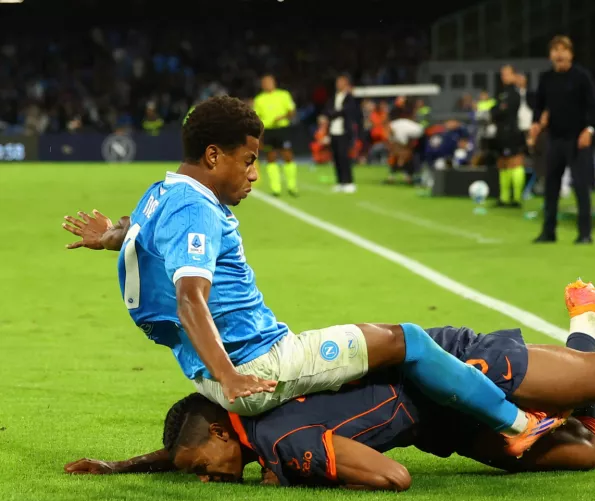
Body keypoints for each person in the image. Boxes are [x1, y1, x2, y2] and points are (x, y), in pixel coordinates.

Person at [58, 96, 565, 457]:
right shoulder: (197, 210)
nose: (254, 174)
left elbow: (141, 236)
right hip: (257, 364)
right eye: (248, 161)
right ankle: (519, 424)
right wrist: (231, 374)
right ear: (213, 155)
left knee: (372, 357)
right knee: (407, 339)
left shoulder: (161, 193)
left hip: (203, 372)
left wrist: (111, 236)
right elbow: (191, 298)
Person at [65, 258, 595, 488]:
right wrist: (122, 466)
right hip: (435, 420)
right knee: (581, 451)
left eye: (202, 468)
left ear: (224, 433)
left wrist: (304, 475)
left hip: (449, 369)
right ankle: (588, 314)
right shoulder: (241, 418)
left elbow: (391, 477)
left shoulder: (279, 440)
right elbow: (191, 441)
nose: (206, 478)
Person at [529, 35, 595, 245]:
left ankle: (584, 233)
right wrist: (535, 123)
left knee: (580, 186)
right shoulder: (546, 78)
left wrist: (589, 130)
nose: (559, 54)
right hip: (555, 138)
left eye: (563, 50)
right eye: (555, 50)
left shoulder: (582, 77)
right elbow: (539, 105)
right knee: (551, 186)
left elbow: (592, 106)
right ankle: (548, 231)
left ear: (571, 54)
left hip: (577, 139)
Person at [252, 75, 298, 197]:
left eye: (270, 82)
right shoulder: (259, 99)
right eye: (265, 82)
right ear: (262, 85)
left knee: (287, 156)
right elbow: (257, 117)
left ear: (274, 83)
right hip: (268, 130)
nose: (268, 84)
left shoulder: (284, 95)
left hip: (282, 129)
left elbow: (292, 111)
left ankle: (292, 186)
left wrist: (282, 117)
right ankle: (275, 188)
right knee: (271, 157)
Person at [492, 65, 527, 208]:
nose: (504, 77)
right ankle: (504, 198)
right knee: (502, 163)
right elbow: (495, 110)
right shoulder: (501, 92)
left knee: (515, 161)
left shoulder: (515, 93)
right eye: (502, 74)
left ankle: (517, 198)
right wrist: (497, 110)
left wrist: (498, 110)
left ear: (514, 75)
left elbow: (504, 111)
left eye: (507, 74)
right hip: (501, 131)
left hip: (512, 131)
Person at [325, 74, 361, 194]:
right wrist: (334, 113)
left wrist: (335, 113)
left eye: (341, 82)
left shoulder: (349, 97)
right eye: (337, 82)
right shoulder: (333, 97)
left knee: (344, 156)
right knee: (336, 157)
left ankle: (349, 182)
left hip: (344, 131)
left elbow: (347, 111)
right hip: (333, 130)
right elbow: (328, 111)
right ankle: (340, 182)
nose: (338, 84)